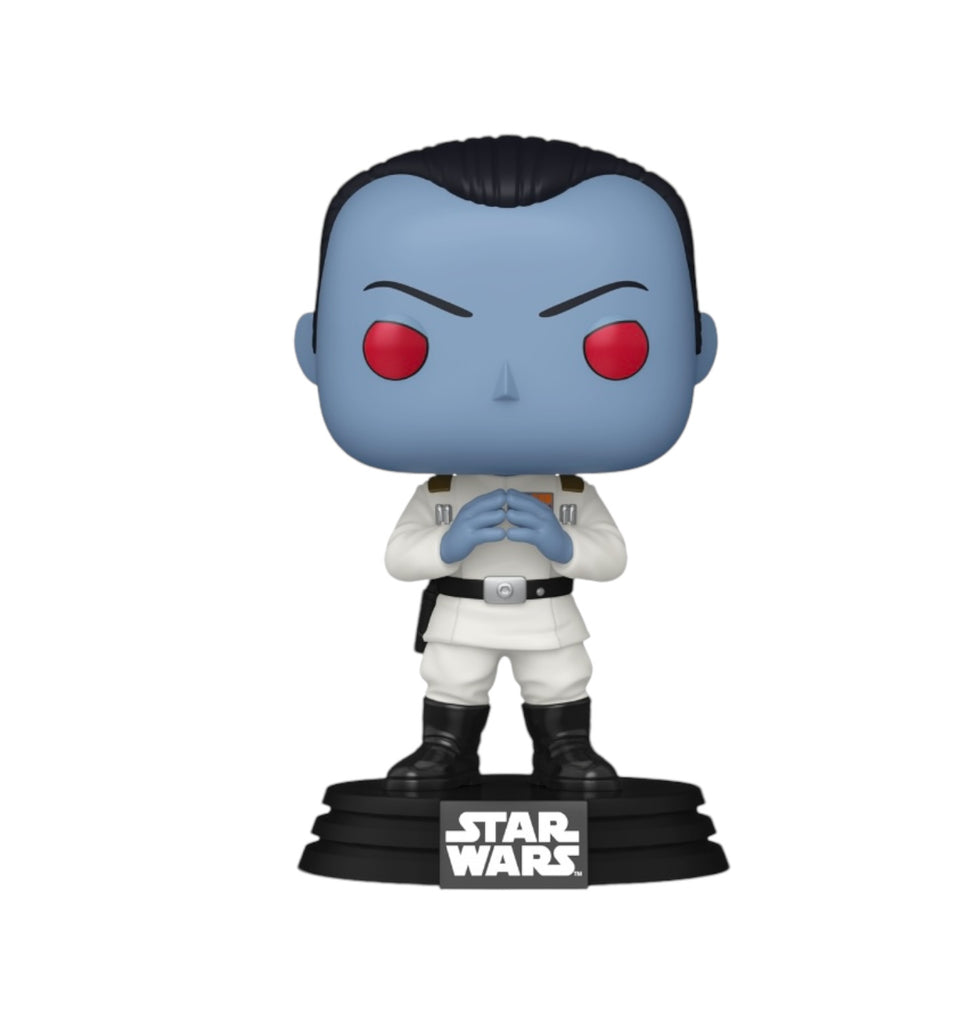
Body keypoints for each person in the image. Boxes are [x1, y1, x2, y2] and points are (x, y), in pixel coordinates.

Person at [294, 136, 717, 792]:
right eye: (398, 347)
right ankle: (444, 750)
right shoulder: (440, 491)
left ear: (698, 349)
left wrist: (562, 543)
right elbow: (399, 558)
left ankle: (567, 750)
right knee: (454, 680)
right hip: (462, 613)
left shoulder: (571, 491)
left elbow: (612, 558)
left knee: (558, 681)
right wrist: (450, 543)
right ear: (313, 349)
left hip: (547, 612)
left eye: (612, 347)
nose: (505, 387)